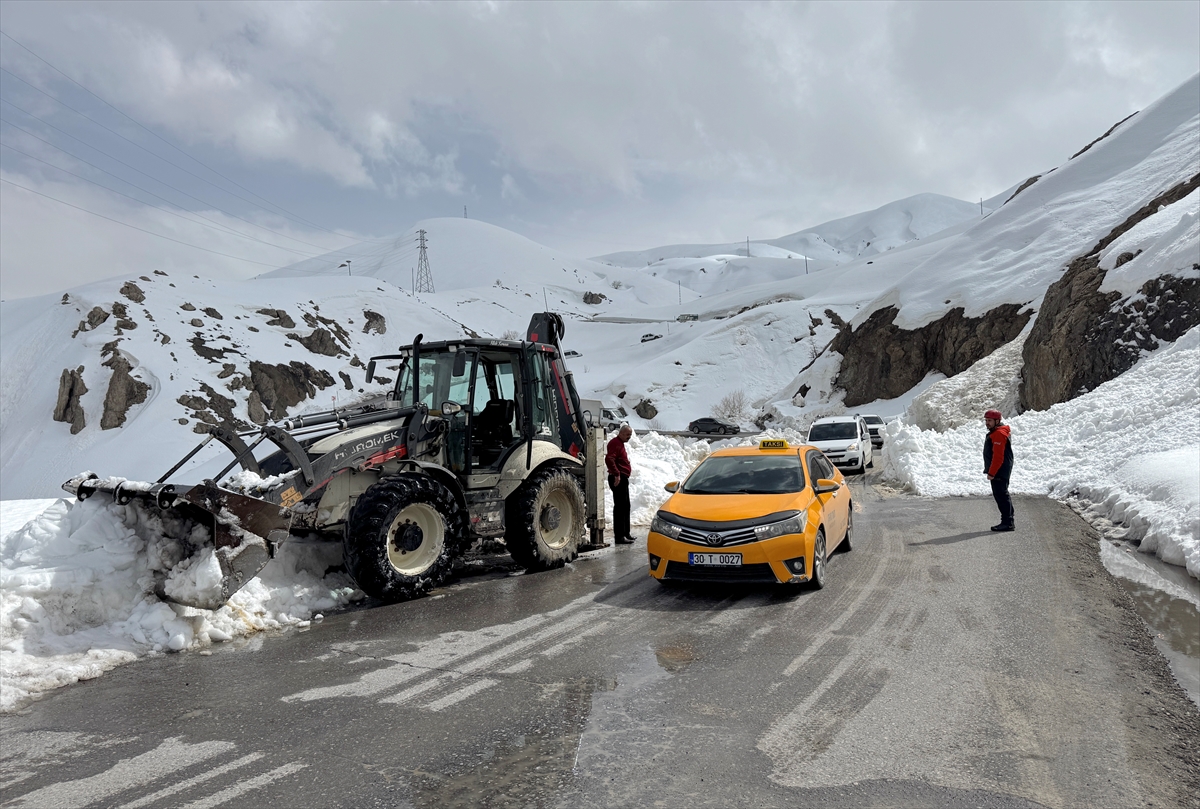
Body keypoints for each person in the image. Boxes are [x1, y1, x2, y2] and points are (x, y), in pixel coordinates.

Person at [983, 409, 1014, 532]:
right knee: (1002, 495)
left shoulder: (998, 434)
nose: (987, 423)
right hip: (1001, 469)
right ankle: (1008, 520)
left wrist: (992, 472)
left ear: (997, 421)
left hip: (999, 470)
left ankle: (1007, 522)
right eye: (986, 420)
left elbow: (998, 457)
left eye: (989, 420)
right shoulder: (997, 432)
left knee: (1001, 496)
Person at [606, 424, 635, 544]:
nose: (629, 437)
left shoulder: (620, 443)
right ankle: (619, 536)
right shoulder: (615, 443)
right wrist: (616, 474)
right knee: (620, 507)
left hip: (623, 478)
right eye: (627, 434)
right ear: (621, 433)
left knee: (626, 506)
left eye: (630, 435)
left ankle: (626, 533)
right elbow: (609, 459)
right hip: (618, 478)